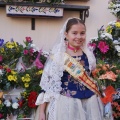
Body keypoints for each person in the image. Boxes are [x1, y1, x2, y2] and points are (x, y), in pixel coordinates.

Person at [35, 17, 113, 120]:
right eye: (74, 33)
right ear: (66, 34)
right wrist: (42, 112)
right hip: (66, 104)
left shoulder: (88, 55)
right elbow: (48, 86)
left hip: (89, 102)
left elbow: (91, 78)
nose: (79, 37)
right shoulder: (59, 56)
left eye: (82, 33)